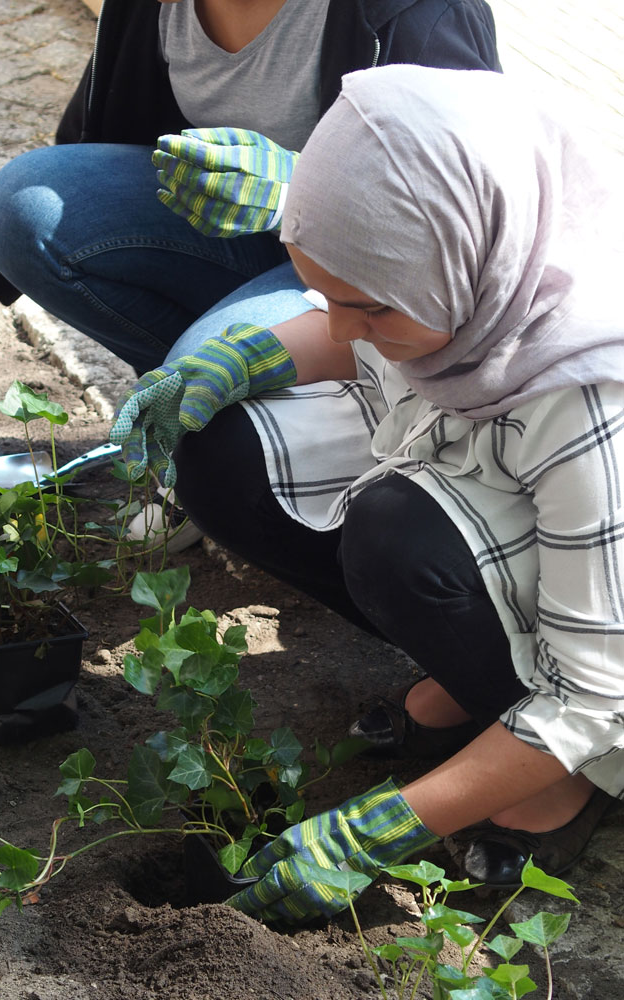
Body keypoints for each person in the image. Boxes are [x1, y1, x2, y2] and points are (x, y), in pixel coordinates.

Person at [108, 63, 623, 923]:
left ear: (471, 264)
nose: (343, 329)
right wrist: (237, 360)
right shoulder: (470, 276)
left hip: (608, 657)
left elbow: (599, 693)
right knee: (226, 452)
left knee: (400, 539)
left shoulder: (591, 391)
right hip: (511, 505)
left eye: (370, 310)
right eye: (330, 294)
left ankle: (560, 792)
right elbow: (352, 335)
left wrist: (373, 834)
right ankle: (475, 681)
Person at [0, 0, 501, 545]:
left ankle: (290, 465)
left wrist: (306, 189)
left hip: (364, 286)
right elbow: (88, 156)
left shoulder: (412, 14)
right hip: (247, 249)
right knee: (25, 203)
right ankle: (187, 410)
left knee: (214, 380)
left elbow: (475, 219)